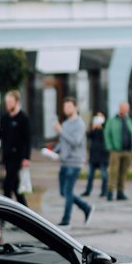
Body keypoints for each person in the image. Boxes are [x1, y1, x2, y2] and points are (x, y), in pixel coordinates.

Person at [50, 97, 92, 227]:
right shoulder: (66, 123)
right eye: (65, 107)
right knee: (63, 192)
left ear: (75, 107)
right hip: (64, 161)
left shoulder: (80, 124)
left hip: (75, 162)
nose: (66, 109)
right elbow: (64, 142)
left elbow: (75, 141)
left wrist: (61, 131)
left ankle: (66, 220)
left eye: (69, 106)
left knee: (68, 191)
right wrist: (53, 151)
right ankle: (86, 207)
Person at [0, 89, 31, 202]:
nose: (8, 104)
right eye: (6, 102)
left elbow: (27, 140)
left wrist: (26, 157)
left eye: (10, 102)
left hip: (17, 157)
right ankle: (25, 212)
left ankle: (4, 214)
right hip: (7, 156)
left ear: (17, 101)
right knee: (16, 188)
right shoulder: (4, 118)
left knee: (7, 186)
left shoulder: (23, 118)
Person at [104, 102, 132, 200]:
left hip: (128, 151)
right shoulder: (112, 120)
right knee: (113, 172)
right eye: (124, 108)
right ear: (120, 108)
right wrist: (110, 146)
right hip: (116, 151)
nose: (125, 110)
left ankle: (120, 192)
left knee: (124, 172)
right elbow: (107, 133)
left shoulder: (129, 120)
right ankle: (110, 192)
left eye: (127, 108)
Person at [83, 111, 110, 201]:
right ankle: (88, 190)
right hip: (93, 156)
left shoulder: (106, 128)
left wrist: (102, 128)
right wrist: (93, 128)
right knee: (90, 175)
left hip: (103, 156)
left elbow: (107, 138)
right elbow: (88, 136)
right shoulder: (94, 129)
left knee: (104, 175)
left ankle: (104, 191)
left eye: (100, 117)